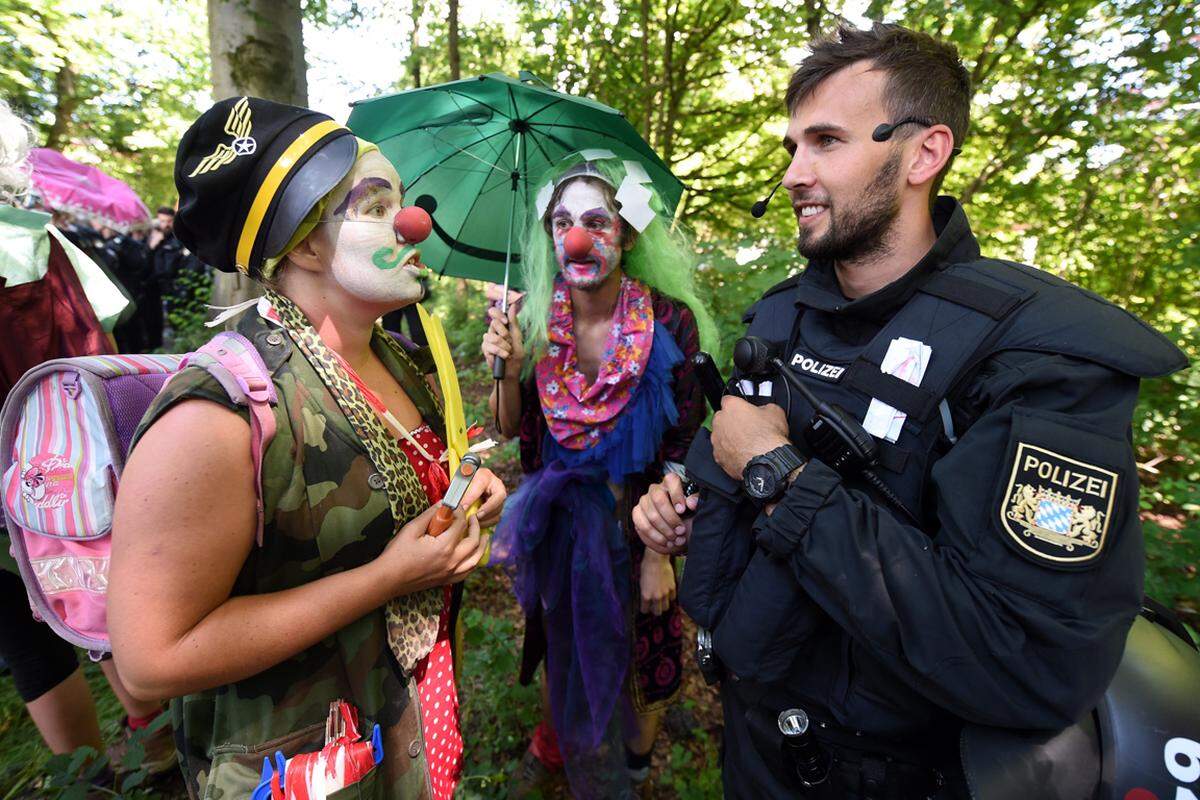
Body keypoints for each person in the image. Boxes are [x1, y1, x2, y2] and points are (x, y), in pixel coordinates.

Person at [632, 23, 1188, 799]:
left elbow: (1024, 662)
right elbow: (724, 467)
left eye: (826, 141)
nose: (795, 173)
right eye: (792, 146)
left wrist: (780, 476)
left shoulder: (1036, 360)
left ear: (925, 153)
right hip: (757, 751)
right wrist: (684, 512)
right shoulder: (781, 318)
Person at [106, 96, 506, 800]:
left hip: (407, 725)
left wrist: (465, 493)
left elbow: (419, 483)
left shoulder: (404, 356)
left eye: (403, 202)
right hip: (295, 769)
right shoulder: (217, 416)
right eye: (376, 207)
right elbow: (148, 663)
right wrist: (387, 578)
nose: (416, 222)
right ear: (304, 245)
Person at [482, 153, 718, 798]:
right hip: (558, 520)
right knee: (564, 638)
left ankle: (633, 773)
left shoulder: (669, 320)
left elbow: (685, 446)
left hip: (641, 521)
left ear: (628, 233)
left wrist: (657, 555)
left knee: (649, 656)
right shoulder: (530, 316)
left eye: (594, 220)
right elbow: (508, 429)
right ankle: (553, 746)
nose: (575, 237)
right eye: (561, 223)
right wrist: (507, 366)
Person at [0, 97, 174, 778]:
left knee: (25, 627)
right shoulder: (41, 241)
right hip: (73, 451)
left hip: (29, 458)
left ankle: (93, 779)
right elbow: (101, 341)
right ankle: (154, 739)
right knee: (93, 591)